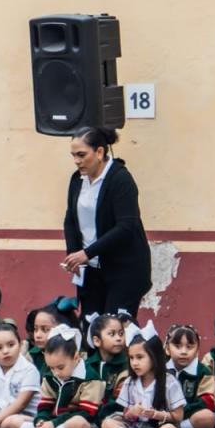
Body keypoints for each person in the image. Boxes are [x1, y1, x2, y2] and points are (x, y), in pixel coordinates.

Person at [62, 126, 152, 320]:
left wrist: (87, 253)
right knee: (90, 324)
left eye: (81, 155)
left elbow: (126, 227)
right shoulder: (77, 179)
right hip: (90, 269)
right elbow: (70, 219)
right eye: (73, 156)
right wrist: (73, 254)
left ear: (99, 152)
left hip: (123, 270)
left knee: (113, 327)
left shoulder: (120, 179)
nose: (77, 161)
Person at [8, 325, 103, 428]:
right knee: (13, 421)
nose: (56, 373)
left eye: (60, 367)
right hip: (54, 425)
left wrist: (54, 424)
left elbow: (86, 413)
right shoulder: (50, 376)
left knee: (77, 422)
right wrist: (41, 421)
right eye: (51, 368)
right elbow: (45, 406)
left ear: (76, 357)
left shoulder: (90, 377)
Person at [104, 329, 185, 428]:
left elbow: (178, 416)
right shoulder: (130, 382)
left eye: (140, 357)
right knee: (107, 424)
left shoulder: (169, 382)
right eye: (131, 358)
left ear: (154, 356)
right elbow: (126, 414)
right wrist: (132, 412)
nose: (134, 363)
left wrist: (157, 414)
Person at [166, 323, 215, 428]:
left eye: (189, 347)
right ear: (168, 349)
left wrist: (180, 413)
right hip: (166, 417)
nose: (183, 352)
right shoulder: (162, 371)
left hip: (191, 416)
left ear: (197, 351)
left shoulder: (203, 371)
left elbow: (208, 401)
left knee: (207, 417)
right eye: (177, 346)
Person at [24, 297, 79, 377]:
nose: (38, 335)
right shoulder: (32, 355)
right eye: (35, 329)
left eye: (45, 329)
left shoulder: (77, 355)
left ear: (63, 328)